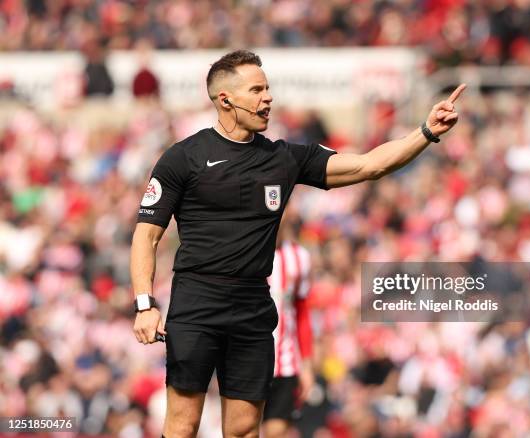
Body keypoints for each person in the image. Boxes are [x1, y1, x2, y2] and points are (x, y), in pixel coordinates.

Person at [130, 49, 465, 438]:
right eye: (256, 90)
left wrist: (425, 132)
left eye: (268, 88)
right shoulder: (182, 158)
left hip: (253, 309)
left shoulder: (283, 158)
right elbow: (146, 234)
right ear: (225, 100)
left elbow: (370, 165)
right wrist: (144, 303)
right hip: (196, 303)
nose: (268, 97)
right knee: (183, 424)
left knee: (242, 430)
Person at [263, 219, 315, 438]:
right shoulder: (245, 251)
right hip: (248, 358)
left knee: (276, 431)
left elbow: (302, 312)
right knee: (243, 425)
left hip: (285, 361)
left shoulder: (299, 258)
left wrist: (307, 365)